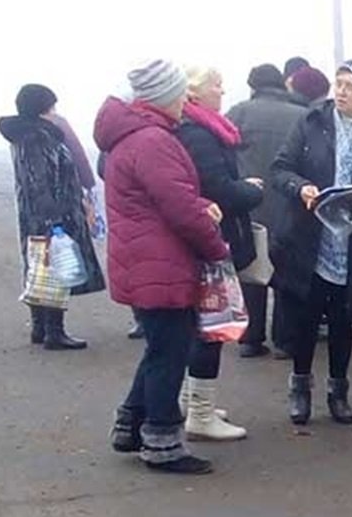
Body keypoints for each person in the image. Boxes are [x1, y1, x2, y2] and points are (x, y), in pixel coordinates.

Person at [98, 59, 230, 475]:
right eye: (179, 93)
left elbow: (167, 199)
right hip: (161, 264)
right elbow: (179, 209)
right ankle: (162, 442)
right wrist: (216, 246)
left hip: (143, 261)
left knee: (160, 348)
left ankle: (130, 424)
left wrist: (197, 207)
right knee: (169, 354)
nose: (185, 100)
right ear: (160, 97)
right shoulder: (153, 141)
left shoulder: (133, 137)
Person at [271, 59, 352, 427]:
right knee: (306, 318)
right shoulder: (312, 121)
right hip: (310, 236)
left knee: (343, 321)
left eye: (351, 87)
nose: (341, 92)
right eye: (339, 84)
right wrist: (301, 188)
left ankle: (338, 392)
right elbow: (280, 169)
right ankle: (300, 388)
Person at [175, 66, 264, 441]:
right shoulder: (199, 135)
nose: (222, 89)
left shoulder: (198, 129)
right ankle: (201, 413)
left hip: (206, 239)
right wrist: (250, 191)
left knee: (202, 327)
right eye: (216, 84)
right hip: (212, 241)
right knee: (212, 328)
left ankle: (190, 401)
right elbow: (219, 189)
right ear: (195, 92)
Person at [0, 84, 106, 350]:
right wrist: (55, 219)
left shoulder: (24, 135)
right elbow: (40, 180)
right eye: (51, 107)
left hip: (34, 213)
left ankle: (40, 327)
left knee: (39, 266)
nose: (54, 113)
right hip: (51, 213)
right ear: (41, 109)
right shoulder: (38, 136)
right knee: (55, 267)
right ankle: (54, 332)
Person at [226, 64, 318, 359]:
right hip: (289, 205)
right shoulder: (302, 116)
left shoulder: (238, 113)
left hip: (251, 206)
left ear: (253, 86)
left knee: (253, 272)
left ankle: (251, 339)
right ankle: (285, 341)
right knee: (286, 276)